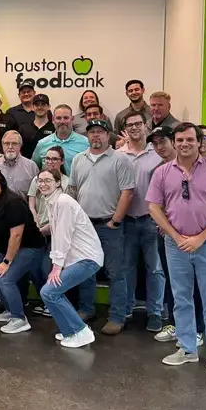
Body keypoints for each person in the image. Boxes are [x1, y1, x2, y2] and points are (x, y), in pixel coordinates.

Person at [146, 122, 206, 371]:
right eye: (180, 140)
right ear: (174, 143)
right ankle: (187, 349)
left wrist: (200, 237)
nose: (185, 144)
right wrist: (177, 237)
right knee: (181, 299)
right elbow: (154, 208)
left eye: (190, 140)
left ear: (199, 142)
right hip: (175, 246)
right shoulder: (162, 173)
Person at [69, 119, 136, 335]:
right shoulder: (79, 159)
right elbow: (72, 189)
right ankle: (87, 309)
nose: (95, 136)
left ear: (109, 135)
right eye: (92, 132)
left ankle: (117, 317)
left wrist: (115, 220)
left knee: (115, 272)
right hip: (84, 225)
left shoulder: (120, 159)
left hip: (109, 225)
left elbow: (128, 192)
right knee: (86, 271)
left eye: (100, 132)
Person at [147, 126, 205, 346]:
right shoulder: (159, 172)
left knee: (198, 284)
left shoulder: (203, 167)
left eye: (163, 141)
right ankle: (176, 324)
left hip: (200, 238)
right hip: (170, 238)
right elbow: (155, 206)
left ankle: (197, 329)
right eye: (155, 144)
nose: (160, 147)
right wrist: (169, 229)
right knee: (174, 282)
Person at [38, 168, 104, 348]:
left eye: (47, 180)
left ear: (58, 183)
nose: (43, 184)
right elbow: (55, 228)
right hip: (79, 258)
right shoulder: (53, 202)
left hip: (87, 258)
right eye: (40, 181)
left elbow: (62, 236)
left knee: (48, 292)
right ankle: (70, 332)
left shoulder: (63, 202)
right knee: (53, 292)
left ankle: (81, 331)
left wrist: (56, 267)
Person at [0, 169, 46, 334]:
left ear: (1, 185)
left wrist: (6, 262)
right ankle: (11, 309)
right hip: (3, 247)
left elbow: (16, 236)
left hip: (30, 247)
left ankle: (19, 319)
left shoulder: (14, 202)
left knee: (5, 278)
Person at [117, 111, 165, 332]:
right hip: (125, 221)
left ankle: (154, 312)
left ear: (145, 126)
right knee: (126, 267)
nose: (135, 128)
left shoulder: (158, 154)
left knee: (154, 269)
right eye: (130, 125)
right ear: (125, 129)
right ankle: (126, 309)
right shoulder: (118, 155)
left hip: (151, 221)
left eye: (138, 123)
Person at [31, 105, 89, 174]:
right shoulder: (42, 144)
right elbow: (34, 169)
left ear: (72, 119)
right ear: (53, 120)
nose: (62, 121)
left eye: (66, 118)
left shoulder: (86, 143)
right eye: (58, 118)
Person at [0, 130, 39, 199]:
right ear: (2, 145)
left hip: (23, 208)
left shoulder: (32, 167)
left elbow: (37, 194)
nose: (10, 147)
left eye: (14, 143)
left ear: (20, 145)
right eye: (7, 143)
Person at [28, 147, 70, 235]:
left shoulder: (67, 183)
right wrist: (37, 225)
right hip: (38, 228)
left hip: (58, 229)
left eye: (54, 159)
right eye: (47, 158)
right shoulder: (36, 179)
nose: (50, 162)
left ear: (62, 161)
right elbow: (31, 206)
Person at [18, 94, 55, 159]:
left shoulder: (54, 128)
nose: (40, 107)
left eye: (43, 104)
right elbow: (18, 149)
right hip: (27, 167)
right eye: (37, 105)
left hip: (48, 166)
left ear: (49, 107)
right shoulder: (23, 128)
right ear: (32, 107)